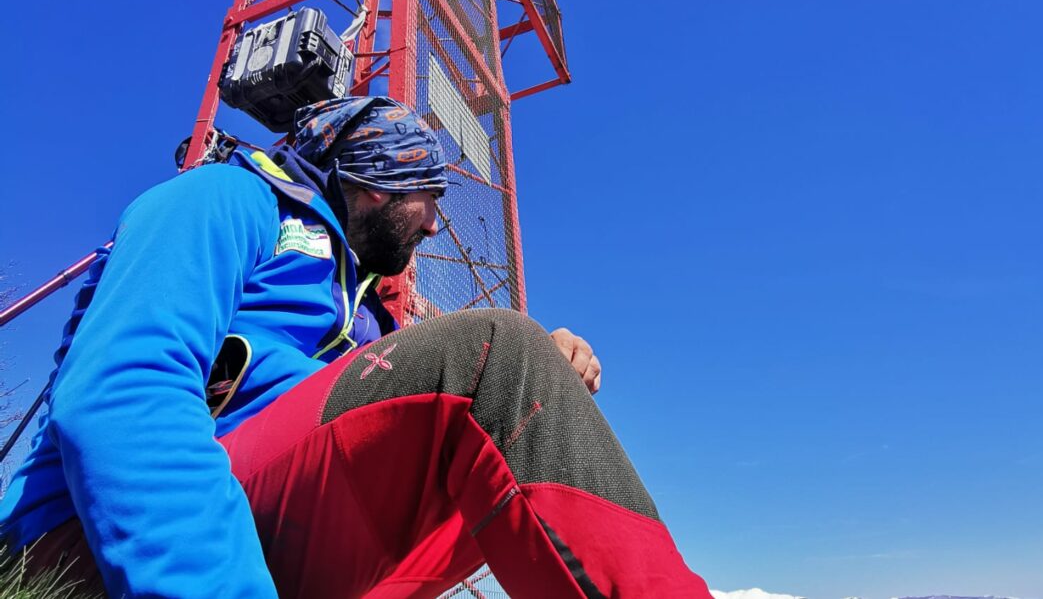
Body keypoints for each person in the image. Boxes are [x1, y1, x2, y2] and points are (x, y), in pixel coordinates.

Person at [0, 97, 709, 598]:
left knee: (508, 404)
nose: (435, 226)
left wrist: (543, 371)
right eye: (427, 194)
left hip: (273, 520)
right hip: (95, 542)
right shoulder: (223, 199)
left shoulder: (366, 315)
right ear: (374, 183)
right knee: (497, 353)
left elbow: (412, 420)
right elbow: (124, 389)